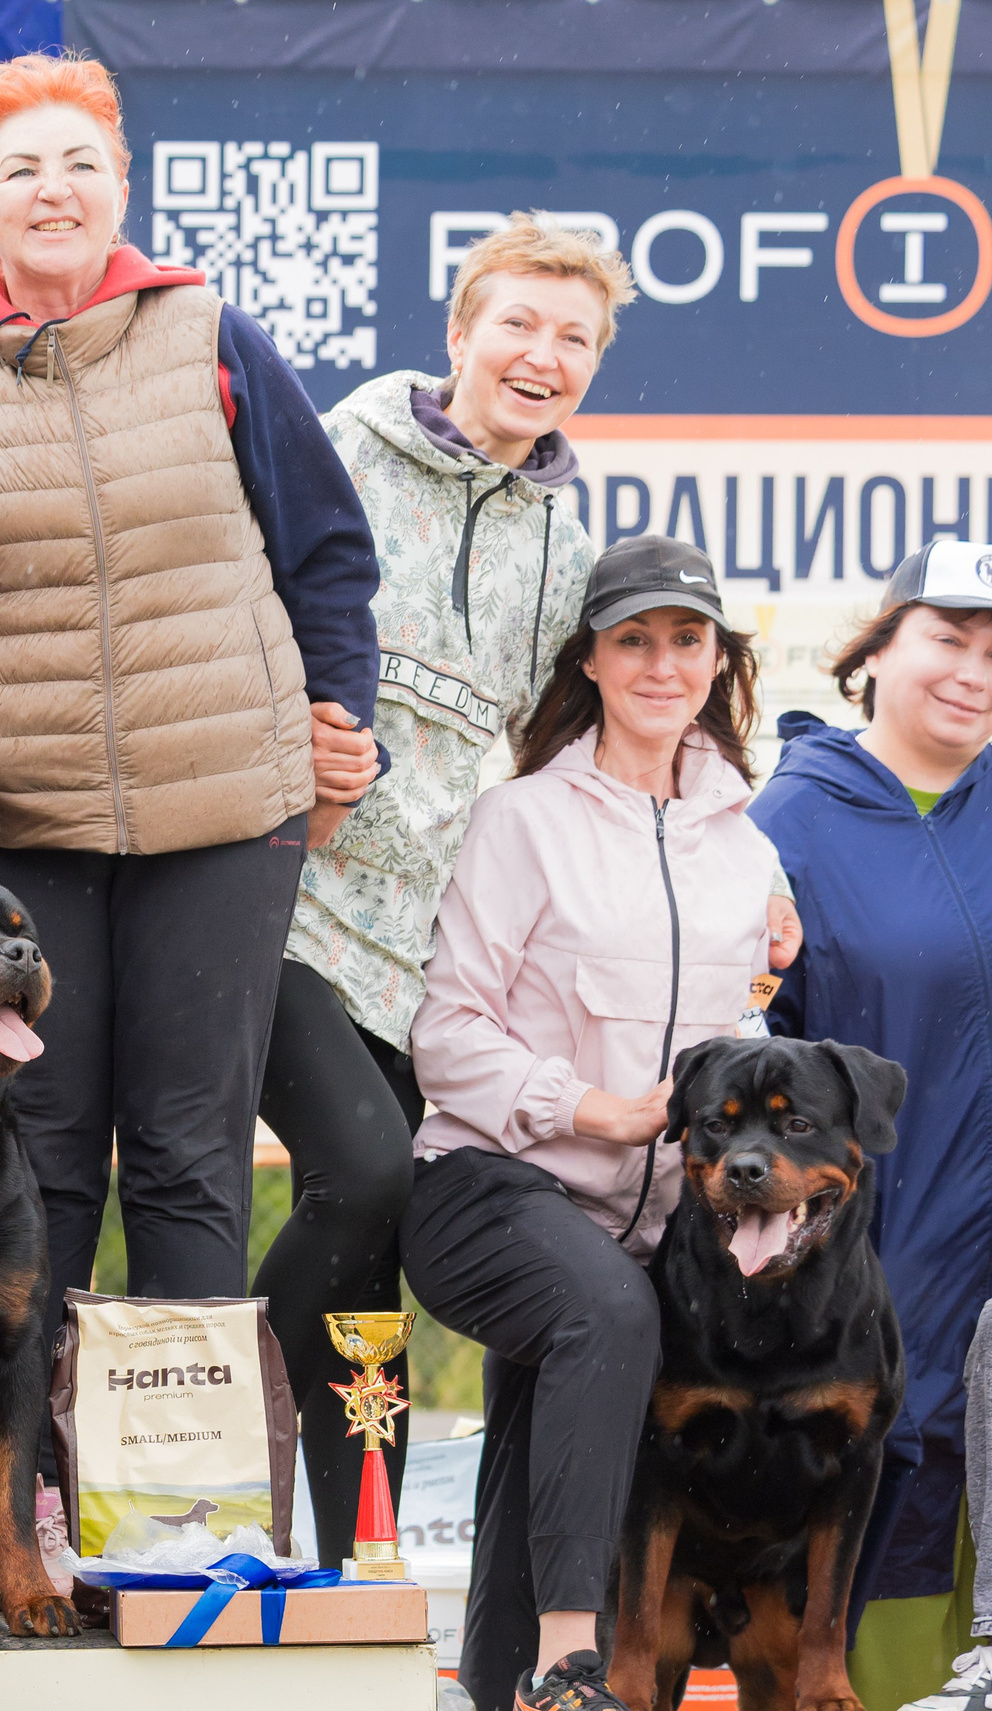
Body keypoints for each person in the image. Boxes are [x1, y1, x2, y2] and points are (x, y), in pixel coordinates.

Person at [0, 53, 382, 1332]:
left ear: (122, 186)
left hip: (224, 814)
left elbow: (326, 549)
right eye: (19, 171)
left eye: (80, 164)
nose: (52, 191)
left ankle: (188, 1501)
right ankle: (35, 1489)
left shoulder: (214, 335)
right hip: (14, 826)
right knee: (42, 1152)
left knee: (188, 1154)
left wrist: (340, 720)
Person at [255, 215, 633, 1563]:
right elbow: (225, 618)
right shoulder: (337, 451)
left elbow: (608, 736)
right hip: (281, 908)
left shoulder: (569, 552)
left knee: (376, 1250)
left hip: (430, 954)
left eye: (573, 338)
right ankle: (204, 1403)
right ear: (460, 331)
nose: (542, 357)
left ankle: (358, 1549)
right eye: (518, 325)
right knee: (358, 1175)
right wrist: (286, 729)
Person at [402, 538, 799, 1711]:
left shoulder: (746, 844)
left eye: (687, 640)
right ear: (591, 657)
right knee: (607, 1315)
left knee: (587, 1354)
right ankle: (570, 1676)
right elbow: (444, 1033)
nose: (662, 663)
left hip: (649, 1220)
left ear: (718, 660)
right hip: (489, 1183)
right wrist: (594, 1106)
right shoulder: (521, 820)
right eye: (634, 638)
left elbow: (745, 1039)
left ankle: (497, 1682)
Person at [751, 541, 992, 1711]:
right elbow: (753, 1061)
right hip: (879, 1251)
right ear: (880, 643)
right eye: (947, 637)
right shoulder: (790, 816)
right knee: (909, 1437)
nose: (971, 671)